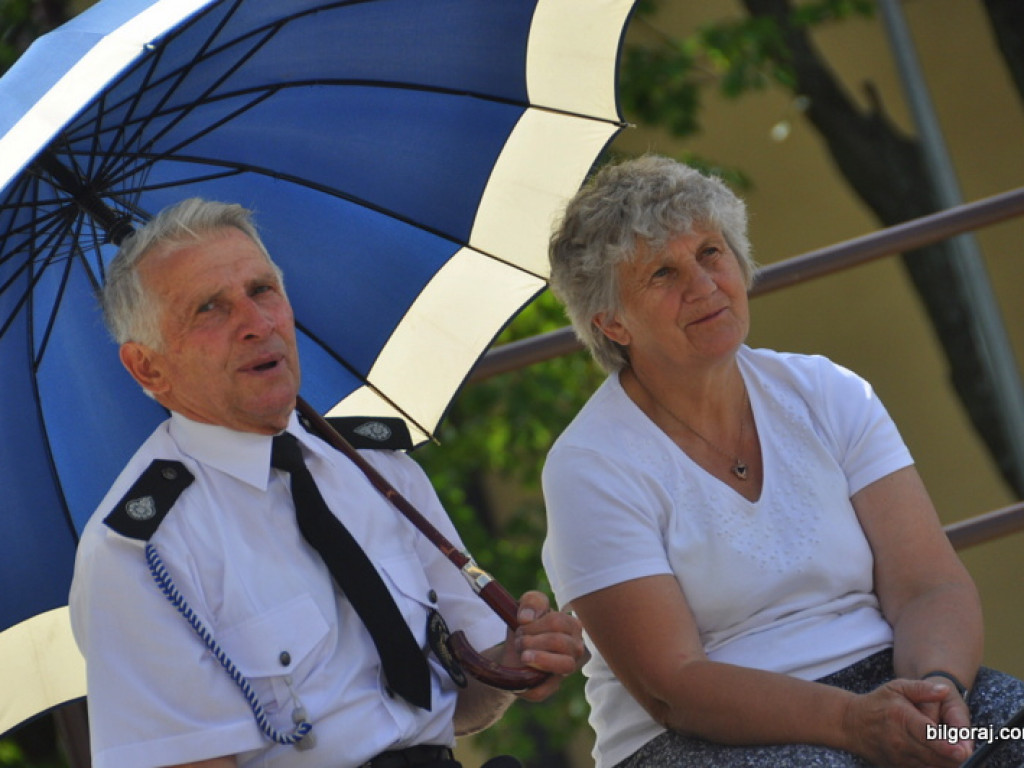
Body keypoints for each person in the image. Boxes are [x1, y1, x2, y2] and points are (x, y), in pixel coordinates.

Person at [539, 154, 1024, 768]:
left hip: (894, 688)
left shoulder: (826, 390)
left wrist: (940, 692)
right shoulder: (590, 465)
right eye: (663, 273)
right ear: (611, 324)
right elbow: (673, 686)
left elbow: (928, 583)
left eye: (712, 252)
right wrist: (853, 724)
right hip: (704, 736)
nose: (704, 285)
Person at [69, 198, 585, 768]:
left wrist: (514, 661)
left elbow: (460, 702)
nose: (257, 324)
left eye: (263, 290)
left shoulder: (374, 466)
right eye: (210, 309)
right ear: (148, 367)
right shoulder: (141, 554)